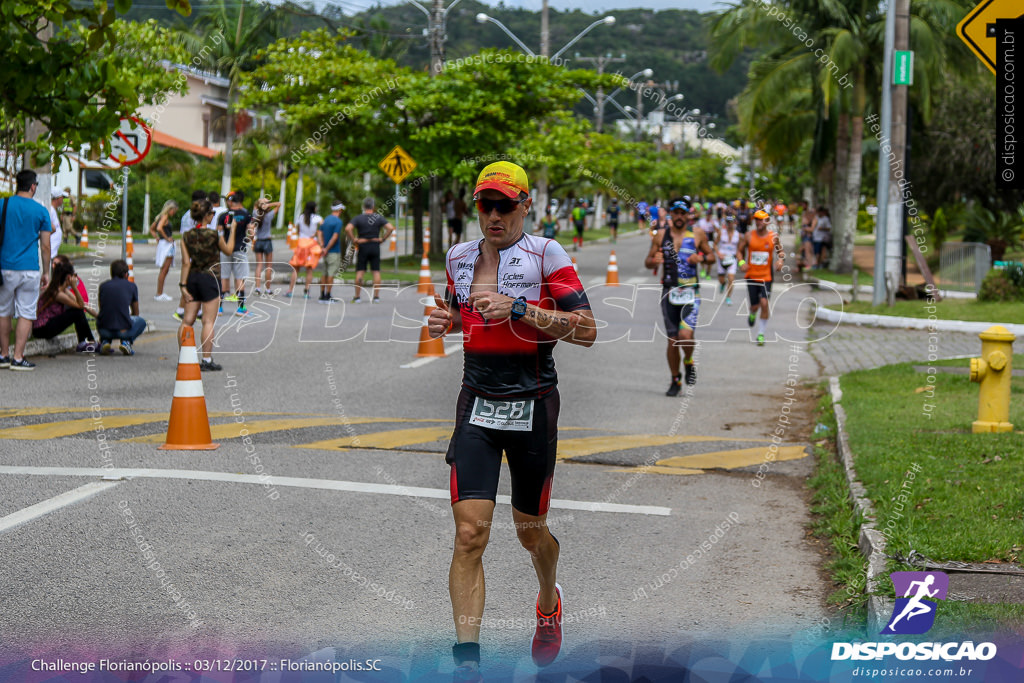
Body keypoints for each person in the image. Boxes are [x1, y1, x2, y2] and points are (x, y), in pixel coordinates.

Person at [426, 161, 596, 677]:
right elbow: (465, 314)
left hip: (533, 400)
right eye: (485, 205)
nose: (494, 215)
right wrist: (446, 320)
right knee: (470, 534)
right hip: (476, 400)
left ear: (525, 205)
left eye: (505, 204)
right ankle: (468, 663)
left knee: (530, 531)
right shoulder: (458, 256)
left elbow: (586, 329)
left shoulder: (547, 254)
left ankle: (548, 599)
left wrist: (520, 308)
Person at [644, 197, 714, 394]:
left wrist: (699, 257)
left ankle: (689, 361)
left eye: (683, 213)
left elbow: (711, 257)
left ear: (688, 215)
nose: (680, 216)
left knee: (685, 335)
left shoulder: (697, 234)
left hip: (691, 291)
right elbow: (647, 261)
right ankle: (675, 380)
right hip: (669, 291)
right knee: (673, 339)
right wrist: (654, 260)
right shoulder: (660, 236)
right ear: (671, 214)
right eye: (676, 212)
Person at [179, 198, 253, 371]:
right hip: (210, 279)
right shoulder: (213, 236)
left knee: (187, 320)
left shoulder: (186, 236)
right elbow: (228, 250)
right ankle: (206, 360)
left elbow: (185, 263)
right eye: (212, 213)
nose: (213, 215)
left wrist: (182, 285)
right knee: (208, 321)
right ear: (206, 216)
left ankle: (183, 359)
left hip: (192, 279)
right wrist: (233, 230)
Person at [0, 169, 52, 371]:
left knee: (3, 312)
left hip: (5, 268)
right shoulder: (41, 211)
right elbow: (46, 246)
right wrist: (46, 271)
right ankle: (18, 358)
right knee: (26, 312)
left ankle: (3, 355)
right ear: (32, 186)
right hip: (29, 269)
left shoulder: (3, 204)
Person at [738, 208, 785, 346]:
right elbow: (739, 252)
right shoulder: (748, 236)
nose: (758, 222)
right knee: (755, 306)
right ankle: (752, 313)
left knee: (764, 303)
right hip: (751, 276)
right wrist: (741, 262)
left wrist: (780, 260)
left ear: (767, 221)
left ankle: (761, 334)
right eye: (756, 219)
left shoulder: (773, 237)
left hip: (766, 277)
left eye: (761, 219)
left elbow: (780, 251)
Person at [32, 260, 96, 352]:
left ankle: (88, 342)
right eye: (75, 275)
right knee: (77, 312)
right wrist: (74, 287)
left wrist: (100, 317)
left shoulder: (63, 290)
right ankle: (88, 342)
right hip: (42, 329)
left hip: (46, 326)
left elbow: (83, 304)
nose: (76, 278)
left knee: (77, 311)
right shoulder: (57, 294)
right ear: (69, 277)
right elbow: (80, 306)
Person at [344, 197, 395, 303]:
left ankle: (357, 296)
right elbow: (390, 227)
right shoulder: (378, 218)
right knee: (376, 271)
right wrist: (383, 239)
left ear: (364, 207)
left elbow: (348, 228)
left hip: (363, 246)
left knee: (360, 271)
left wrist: (354, 239)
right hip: (375, 245)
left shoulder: (358, 218)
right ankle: (376, 297)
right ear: (373, 207)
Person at [97, 259, 146, 355]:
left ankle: (105, 341)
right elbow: (136, 312)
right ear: (126, 274)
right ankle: (126, 342)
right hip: (123, 331)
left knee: (103, 318)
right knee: (141, 321)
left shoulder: (103, 286)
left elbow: (102, 308)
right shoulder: (131, 286)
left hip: (104, 330)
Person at [174, 190, 208, 321]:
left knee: (194, 281)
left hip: (189, 249)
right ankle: (181, 309)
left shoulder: (186, 215)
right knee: (192, 282)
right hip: (194, 251)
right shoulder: (193, 216)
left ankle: (195, 310)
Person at [218, 191, 252, 315]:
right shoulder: (245, 214)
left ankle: (219, 308)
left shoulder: (223, 216)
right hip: (240, 249)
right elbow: (251, 231)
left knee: (224, 278)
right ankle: (241, 308)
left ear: (230, 202)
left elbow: (219, 234)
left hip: (225, 249)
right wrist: (248, 240)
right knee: (240, 278)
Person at [287, 200, 323, 299]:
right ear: (314, 208)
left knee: (296, 269)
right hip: (311, 244)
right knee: (309, 270)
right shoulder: (317, 218)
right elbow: (323, 227)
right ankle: (306, 292)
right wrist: (316, 234)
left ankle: (290, 290)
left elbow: (297, 231)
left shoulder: (300, 217)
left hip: (300, 244)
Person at [317, 200, 346, 303]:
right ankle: (328, 296)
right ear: (339, 210)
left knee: (324, 273)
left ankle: (321, 295)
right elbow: (334, 237)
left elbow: (319, 232)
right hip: (333, 251)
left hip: (325, 251)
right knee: (330, 274)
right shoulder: (338, 222)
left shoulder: (326, 220)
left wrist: (322, 246)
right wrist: (327, 248)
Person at [252, 198, 280, 296]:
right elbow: (279, 204)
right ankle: (268, 289)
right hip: (267, 241)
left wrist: (261, 203)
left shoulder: (256, 214)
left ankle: (257, 288)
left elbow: (255, 205)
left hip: (258, 241)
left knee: (259, 265)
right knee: (268, 266)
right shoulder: (270, 215)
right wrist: (269, 204)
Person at [152, 200, 178, 301]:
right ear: (170, 209)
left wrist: (157, 237)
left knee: (163, 270)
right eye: (174, 210)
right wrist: (166, 237)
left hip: (163, 244)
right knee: (164, 270)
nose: (174, 212)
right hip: (167, 245)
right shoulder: (165, 217)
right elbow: (158, 228)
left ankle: (159, 292)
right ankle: (159, 293)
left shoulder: (159, 217)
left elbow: (152, 228)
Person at [716, 214, 740, 305]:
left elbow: (739, 249)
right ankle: (722, 284)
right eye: (728, 222)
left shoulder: (738, 235)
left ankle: (728, 297)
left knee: (731, 279)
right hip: (722, 259)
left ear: (735, 223)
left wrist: (740, 260)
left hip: (732, 259)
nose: (730, 224)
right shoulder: (721, 232)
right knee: (721, 279)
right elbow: (715, 244)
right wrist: (718, 253)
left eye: (731, 222)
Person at [47, 191, 63, 259]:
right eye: (62, 197)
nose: (63, 200)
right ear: (57, 198)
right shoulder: (50, 210)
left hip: (53, 250)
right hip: (51, 250)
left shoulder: (53, 210)